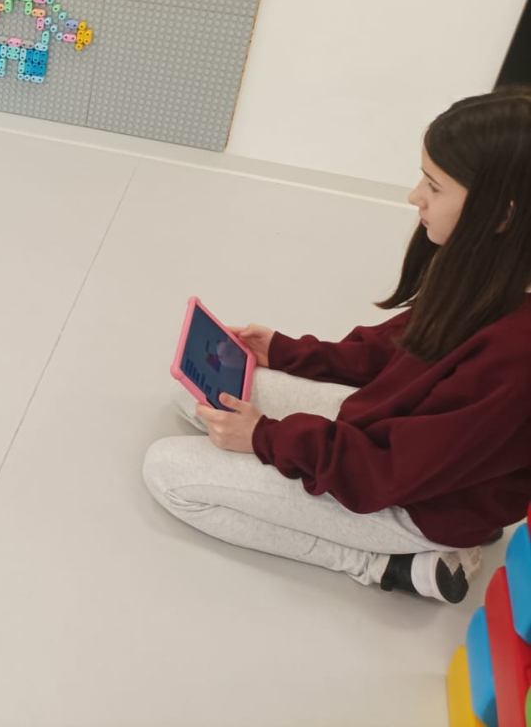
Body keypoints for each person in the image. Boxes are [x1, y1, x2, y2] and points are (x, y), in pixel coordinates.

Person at [144, 88, 531, 603]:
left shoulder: (515, 355)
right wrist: (286, 352)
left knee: (168, 473)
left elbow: (387, 473)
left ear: (502, 214)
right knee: (198, 393)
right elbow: (400, 350)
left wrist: (265, 437)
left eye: (434, 187)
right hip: (391, 443)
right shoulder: (487, 271)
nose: (415, 197)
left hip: (416, 502)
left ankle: (388, 564)